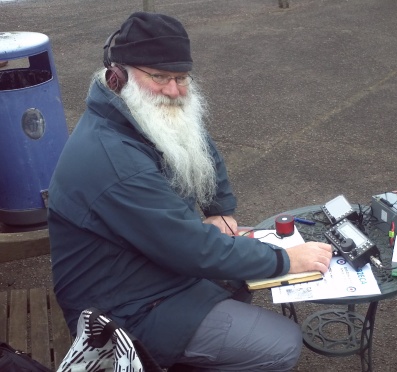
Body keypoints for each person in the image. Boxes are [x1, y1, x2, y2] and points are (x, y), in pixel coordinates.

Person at [47, 12, 333, 371]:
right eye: (159, 77)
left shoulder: (134, 112)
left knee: (236, 279)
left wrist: (219, 208)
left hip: (141, 271)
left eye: (181, 78)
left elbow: (199, 145)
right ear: (118, 76)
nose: (172, 90)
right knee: (281, 343)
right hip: (116, 309)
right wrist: (287, 260)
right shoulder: (116, 163)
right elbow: (190, 248)